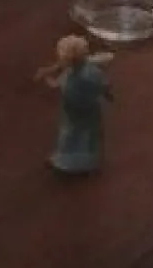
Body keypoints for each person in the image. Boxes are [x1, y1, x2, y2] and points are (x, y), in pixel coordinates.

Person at [35, 33, 113, 174]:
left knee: (72, 135)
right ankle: (87, 161)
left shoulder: (76, 77)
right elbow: (103, 83)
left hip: (77, 111)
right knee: (86, 135)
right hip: (87, 109)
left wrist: (47, 78)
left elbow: (57, 85)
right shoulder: (88, 70)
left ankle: (70, 163)